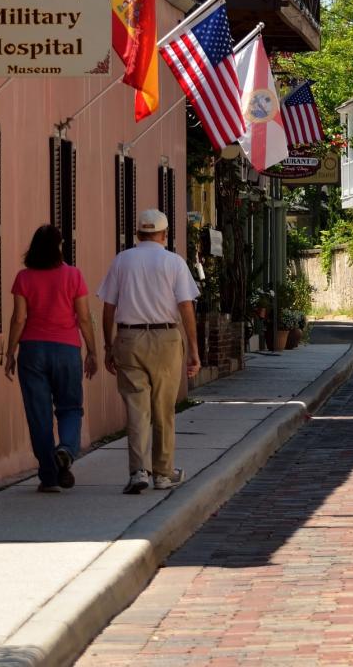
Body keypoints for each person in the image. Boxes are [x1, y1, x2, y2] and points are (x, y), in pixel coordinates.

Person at [99, 209, 201, 495]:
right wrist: (193, 348)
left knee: (136, 409)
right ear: (165, 235)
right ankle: (164, 473)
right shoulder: (174, 262)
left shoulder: (122, 260)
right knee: (163, 409)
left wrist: (109, 345)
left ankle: (138, 471)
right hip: (166, 337)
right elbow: (186, 307)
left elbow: (108, 307)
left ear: (137, 234)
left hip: (129, 338)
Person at [4, 225, 97, 493]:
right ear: (58, 247)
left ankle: (49, 475)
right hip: (66, 350)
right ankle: (66, 448)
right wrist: (92, 350)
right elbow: (83, 317)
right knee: (69, 407)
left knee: (38, 415)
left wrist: (10, 352)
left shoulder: (24, 278)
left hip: (32, 351)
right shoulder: (73, 275)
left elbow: (19, 318)